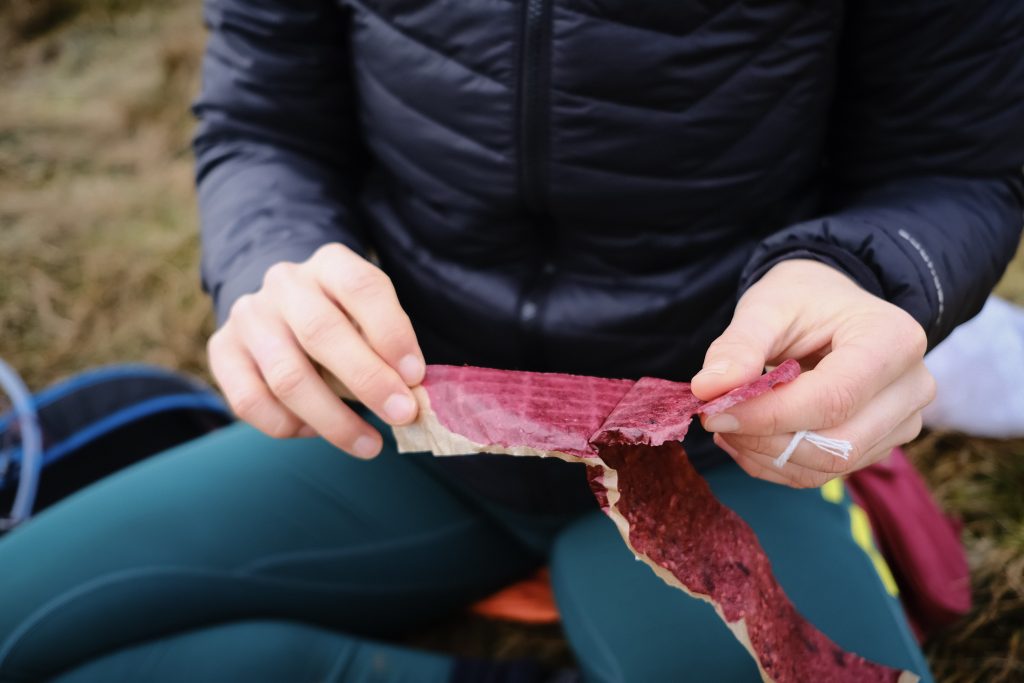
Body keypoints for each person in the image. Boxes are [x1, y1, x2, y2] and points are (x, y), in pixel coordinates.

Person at [0, 1, 1021, 680]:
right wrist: (272, 257)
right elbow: (259, 117)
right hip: (406, 420)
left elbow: (961, 166)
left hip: (725, 450)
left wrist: (874, 276)